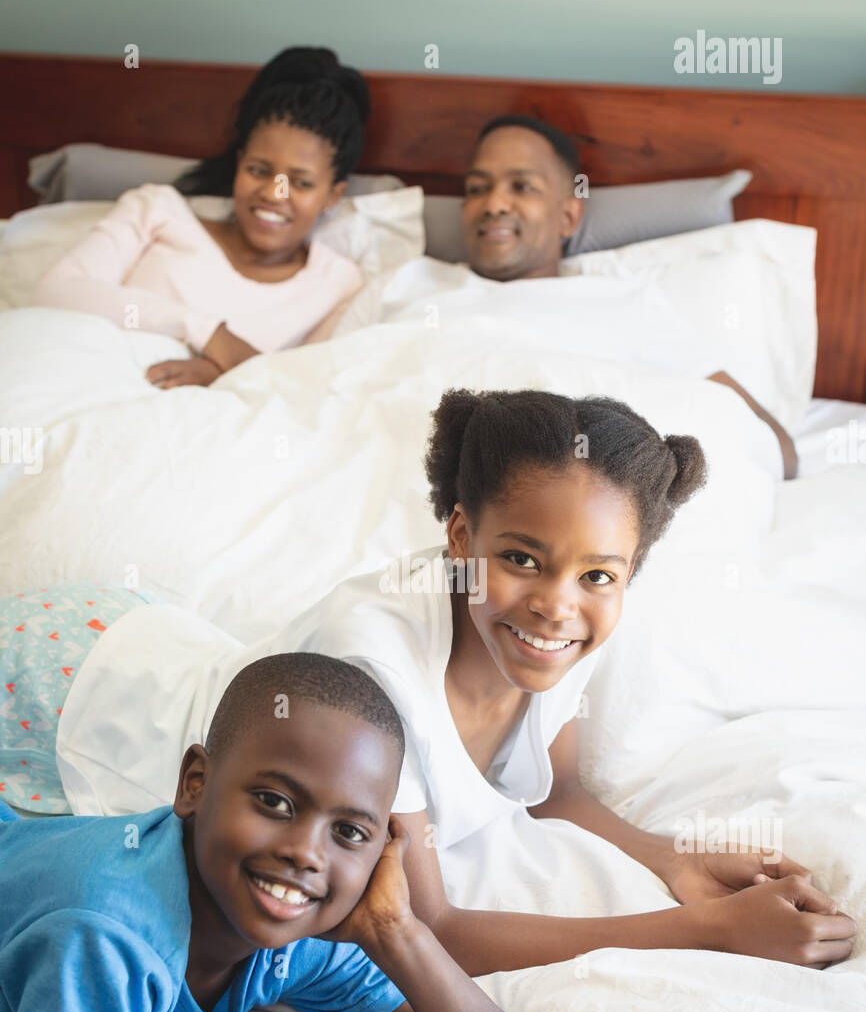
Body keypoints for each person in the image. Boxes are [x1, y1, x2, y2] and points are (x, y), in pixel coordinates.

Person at [38, 393, 855, 975]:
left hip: (152, 647)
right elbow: (431, 930)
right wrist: (706, 932)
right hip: (77, 694)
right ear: (461, 535)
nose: (556, 603)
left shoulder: (572, 626)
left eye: (599, 574)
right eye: (521, 559)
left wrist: (674, 861)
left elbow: (554, 789)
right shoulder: (375, 670)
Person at [0, 651, 532, 1012]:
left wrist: (396, 930)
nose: (307, 852)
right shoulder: (105, 938)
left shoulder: (298, 931)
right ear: (195, 783)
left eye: (349, 832)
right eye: (275, 802)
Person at [326, 114, 797, 478]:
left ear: (569, 216)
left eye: (522, 186)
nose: (494, 203)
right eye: (477, 188)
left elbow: (771, 443)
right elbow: (308, 390)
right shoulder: (402, 285)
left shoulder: (624, 304)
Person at [32, 47, 367, 387]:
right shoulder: (157, 211)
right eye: (259, 170)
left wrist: (220, 375)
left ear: (332, 195)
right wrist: (207, 334)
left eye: (301, 182)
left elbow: (309, 389)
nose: (273, 193)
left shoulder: (338, 283)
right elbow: (54, 292)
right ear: (240, 163)